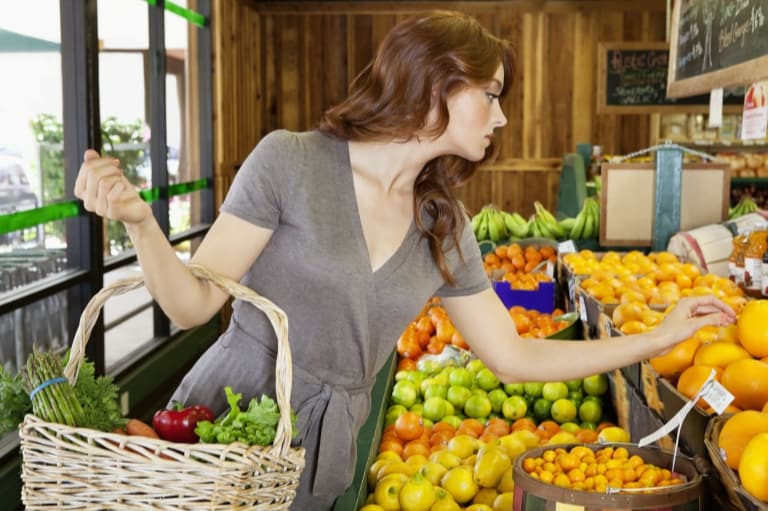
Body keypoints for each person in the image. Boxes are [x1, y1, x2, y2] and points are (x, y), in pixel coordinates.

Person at [74, 10, 735, 509]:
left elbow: (516, 356)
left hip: (329, 451)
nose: (501, 117)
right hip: (229, 423)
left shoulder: (442, 226)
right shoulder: (291, 162)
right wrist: (141, 224)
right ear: (437, 85)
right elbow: (193, 302)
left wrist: (658, 335)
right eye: (492, 93)